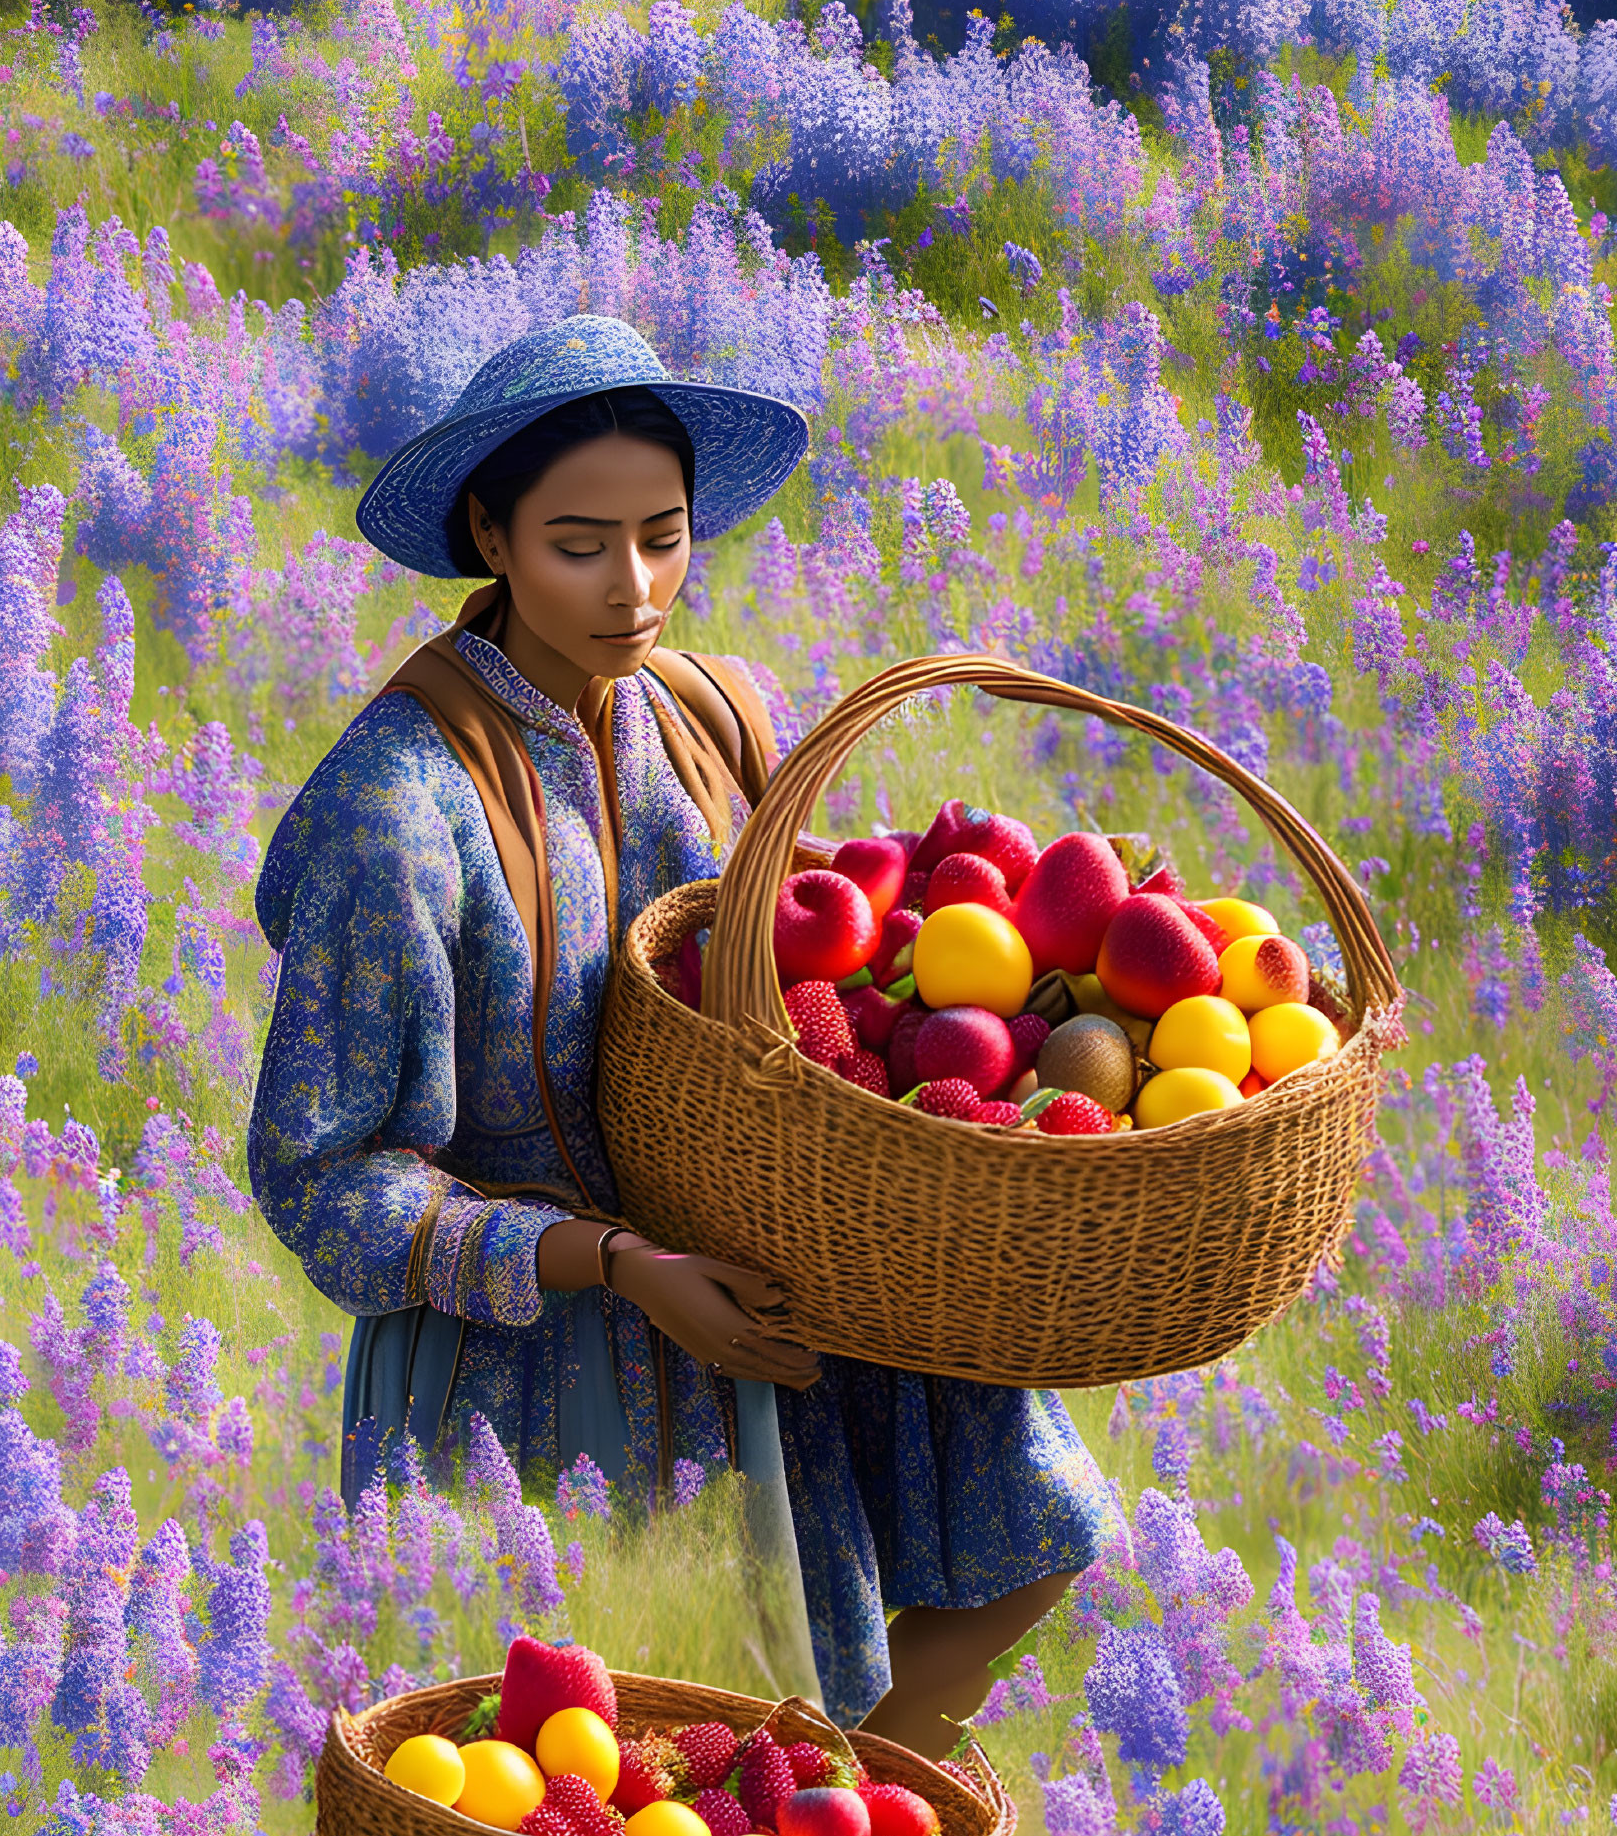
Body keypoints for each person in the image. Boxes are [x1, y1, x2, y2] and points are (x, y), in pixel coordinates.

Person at [246, 314, 1120, 1761]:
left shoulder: (713, 717)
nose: (634, 587)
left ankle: (868, 1821)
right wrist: (614, 1263)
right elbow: (322, 1181)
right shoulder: (395, 809)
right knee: (586, 1801)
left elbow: (791, 988)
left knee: (1004, 1546)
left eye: (663, 537)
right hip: (522, 1371)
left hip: (755, 1277)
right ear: (492, 533)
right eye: (580, 543)